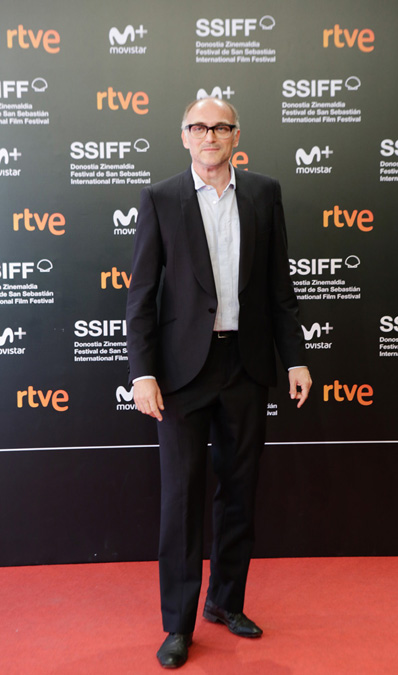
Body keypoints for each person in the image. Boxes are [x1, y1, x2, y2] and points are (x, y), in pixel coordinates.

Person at [126, 97, 312, 669]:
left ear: (236, 135)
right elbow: (141, 295)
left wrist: (295, 359)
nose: (210, 135)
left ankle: (226, 602)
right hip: (182, 374)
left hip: (246, 366)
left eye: (221, 127)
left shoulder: (263, 193)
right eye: (199, 127)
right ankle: (178, 625)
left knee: (239, 491)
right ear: (184, 136)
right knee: (181, 498)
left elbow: (280, 285)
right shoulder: (160, 199)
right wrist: (142, 372)